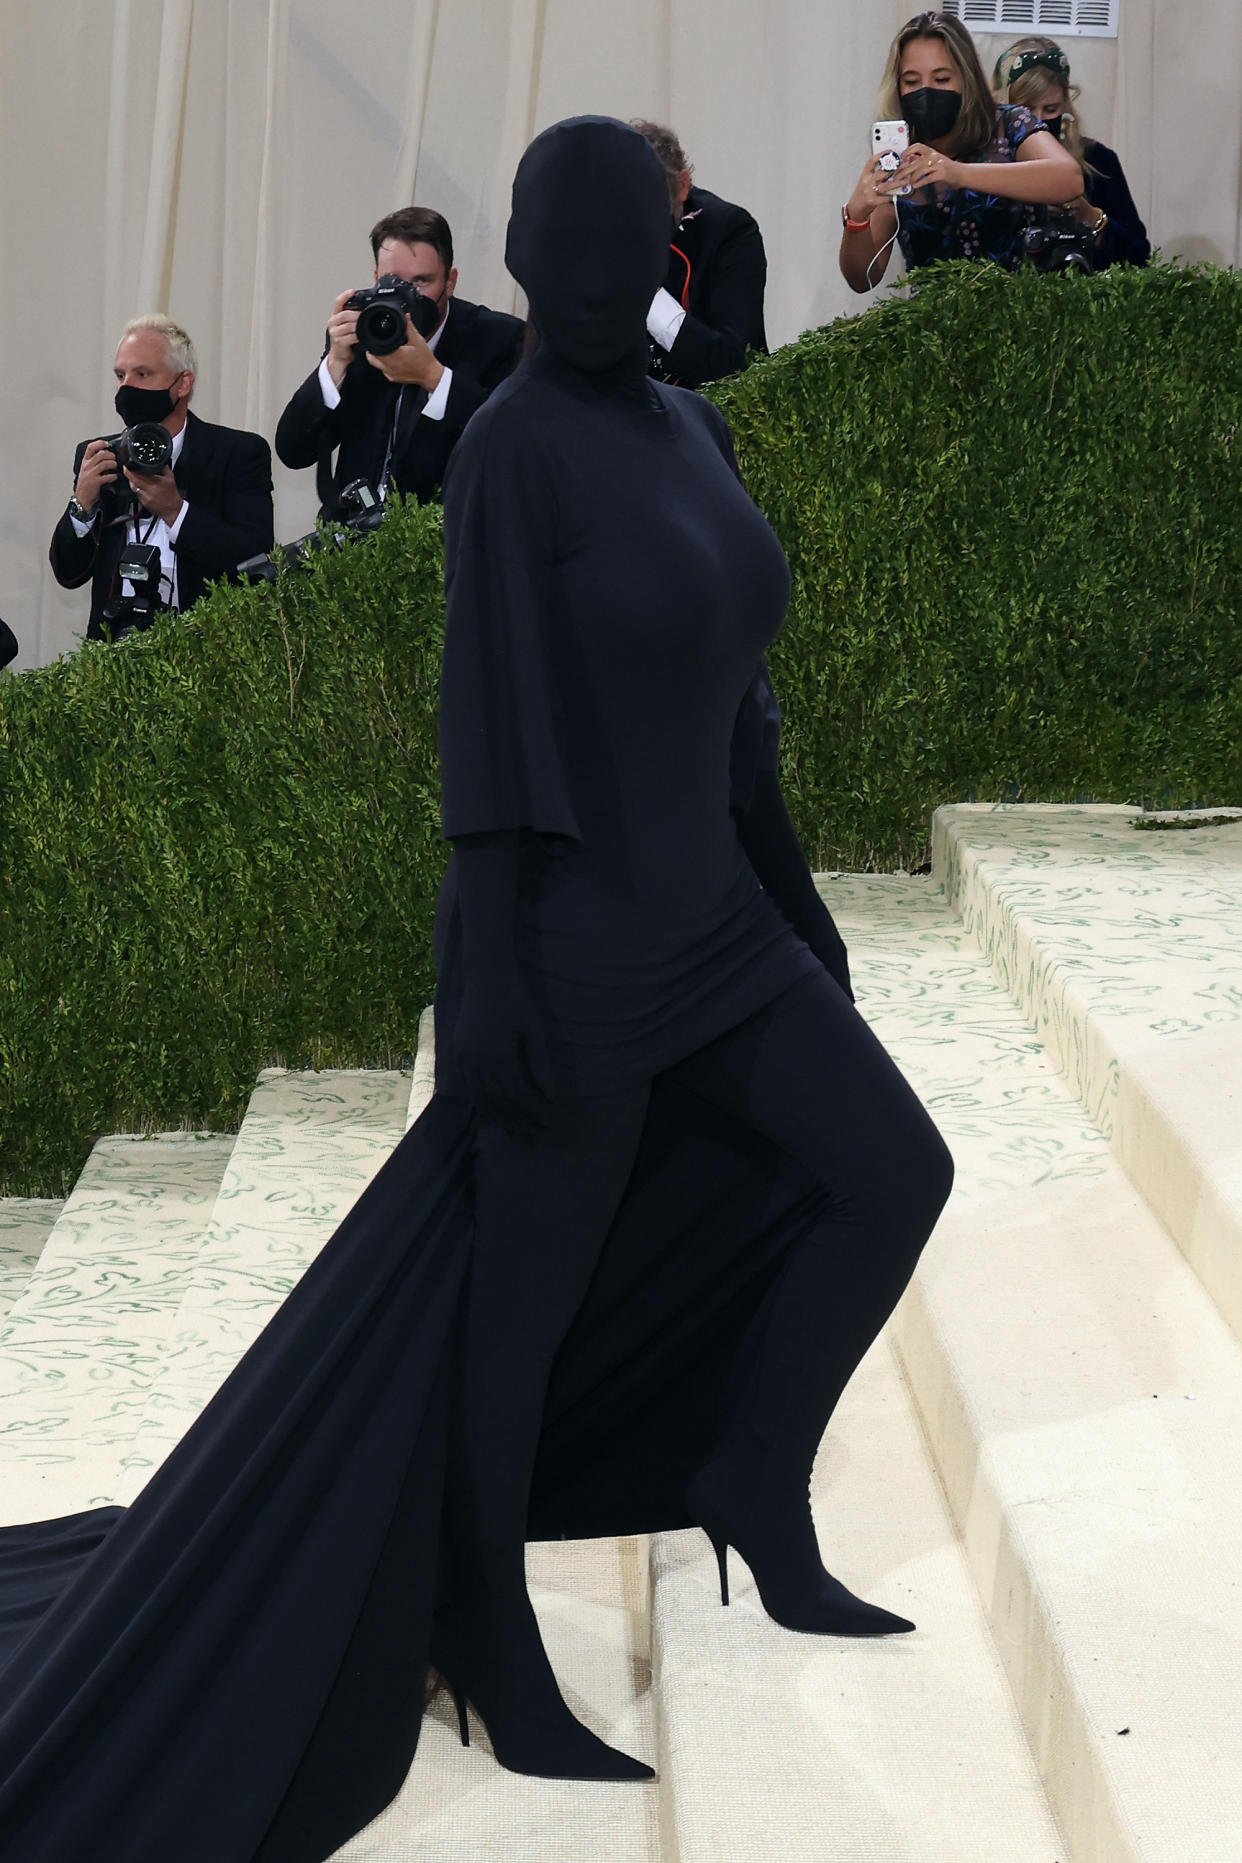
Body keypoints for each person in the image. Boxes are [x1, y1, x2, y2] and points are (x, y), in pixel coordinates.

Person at [0, 119, 952, 1861]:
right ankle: (488, 1629)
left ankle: (751, 1472)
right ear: (524, 259)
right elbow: (489, 737)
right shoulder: (514, 445)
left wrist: (800, 908)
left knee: (897, 1170)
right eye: (556, 250)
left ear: (658, 252)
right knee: (502, 1332)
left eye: (614, 247)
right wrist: (487, 984)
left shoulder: (690, 420)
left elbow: (736, 716)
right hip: (577, 953)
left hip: (722, 934)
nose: (585, 277)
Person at [275, 207, 524, 518]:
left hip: (437, 546)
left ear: (450, 281)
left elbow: (515, 446)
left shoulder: (498, 338)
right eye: (394, 281)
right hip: (351, 545)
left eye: (421, 283)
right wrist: (335, 365)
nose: (408, 299)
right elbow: (292, 450)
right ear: (377, 278)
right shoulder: (363, 333)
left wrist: (434, 377)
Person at [49, 316, 274, 642]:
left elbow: (255, 560)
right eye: (120, 375)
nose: (127, 387)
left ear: (183, 384)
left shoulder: (238, 453)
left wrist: (176, 512)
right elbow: (68, 573)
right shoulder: (99, 456)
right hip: (114, 659)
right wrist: (82, 504)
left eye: (143, 374)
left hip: (207, 655)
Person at [839, 9, 1082, 293]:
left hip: (1022, 322)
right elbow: (863, 279)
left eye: (941, 79)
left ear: (966, 79)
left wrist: (959, 173)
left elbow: (1069, 179)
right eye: (912, 81)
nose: (927, 92)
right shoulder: (899, 151)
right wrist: (856, 218)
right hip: (932, 330)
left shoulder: (1009, 124)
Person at [631, 120, 767, 387]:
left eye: (649, 199)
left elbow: (737, 363)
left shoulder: (730, 231)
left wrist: (644, 292)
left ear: (682, 185)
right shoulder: (593, 234)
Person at [993, 37, 1150, 269]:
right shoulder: (981, 166)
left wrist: (1088, 215)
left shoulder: (1098, 161)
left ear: (1066, 103)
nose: (1038, 121)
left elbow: (1139, 256)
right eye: (1025, 110)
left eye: (1050, 109)